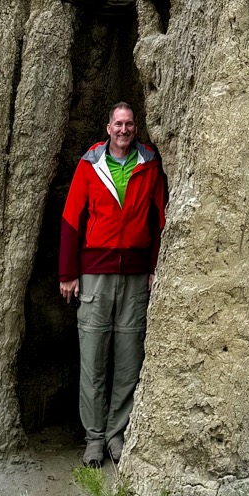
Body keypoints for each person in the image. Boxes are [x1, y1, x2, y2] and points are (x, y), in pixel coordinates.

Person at [58, 101, 167, 466]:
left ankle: (117, 435)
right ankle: (94, 439)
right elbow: (72, 219)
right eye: (118, 124)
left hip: (135, 275)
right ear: (108, 129)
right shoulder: (90, 165)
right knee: (92, 357)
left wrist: (154, 267)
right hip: (95, 275)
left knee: (129, 358)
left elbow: (159, 219)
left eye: (129, 125)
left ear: (135, 129)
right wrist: (68, 274)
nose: (123, 130)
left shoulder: (149, 165)